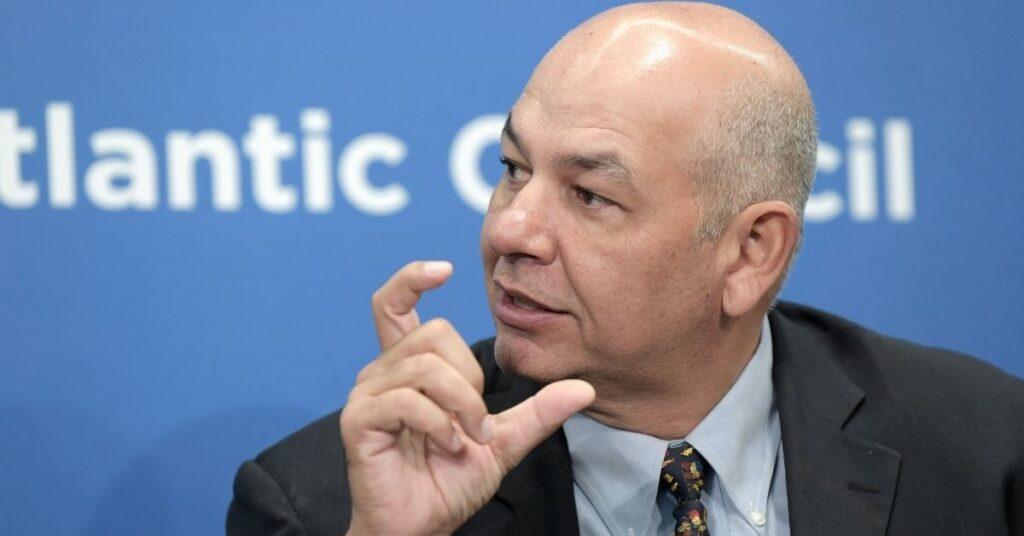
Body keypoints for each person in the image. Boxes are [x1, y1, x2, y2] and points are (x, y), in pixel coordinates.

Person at [227, 2, 1024, 535]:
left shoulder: (988, 454)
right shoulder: (329, 503)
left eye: (590, 196)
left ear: (752, 252)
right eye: (512, 168)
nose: (510, 229)